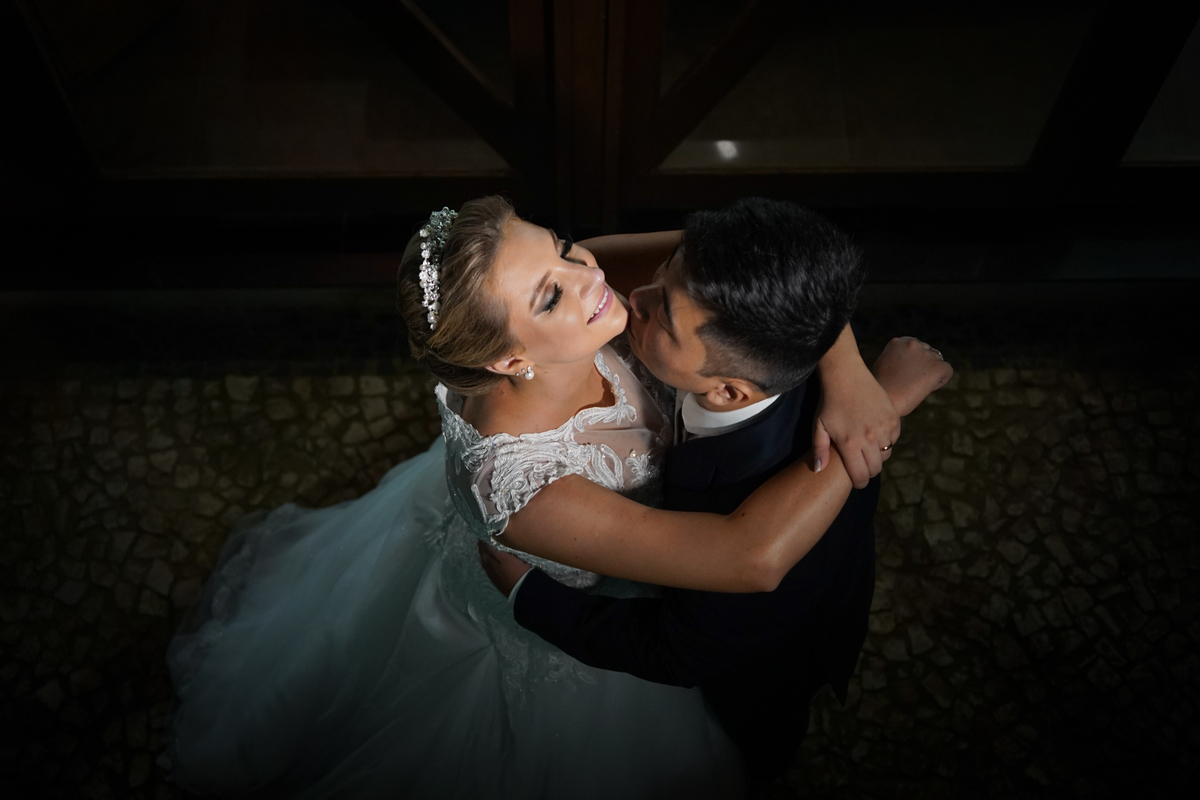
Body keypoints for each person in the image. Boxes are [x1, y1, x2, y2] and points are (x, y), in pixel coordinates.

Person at [163, 196, 942, 799]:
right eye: (547, 296)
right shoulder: (517, 483)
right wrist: (888, 411)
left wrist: (849, 375)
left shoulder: (586, 291)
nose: (593, 279)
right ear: (510, 359)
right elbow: (746, 556)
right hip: (580, 629)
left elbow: (765, 272)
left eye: (563, 248)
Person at [479, 197, 952, 790]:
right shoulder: (747, 316)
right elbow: (776, 252)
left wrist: (532, 599)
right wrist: (860, 372)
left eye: (663, 317)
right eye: (663, 272)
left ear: (729, 394)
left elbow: (683, 647)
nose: (630, 297)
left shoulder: (761, 485)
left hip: (764, 660)